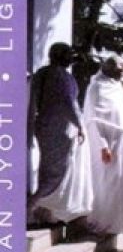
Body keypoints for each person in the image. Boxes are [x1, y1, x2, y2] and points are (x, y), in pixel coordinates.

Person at [27, 42, 93, 227]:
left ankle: (44, 212)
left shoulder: (41, 73)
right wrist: (80, 125)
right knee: (55, 174)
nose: (71, 58)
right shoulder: (62, 76)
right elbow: (68, 103)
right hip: (59, 130)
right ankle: (30, 210)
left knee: (46, 171)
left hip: (43, 127)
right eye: (68, 54)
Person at [84, 56, 123, 235]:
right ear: (108, 68)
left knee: (122, 181)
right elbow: (92, 119)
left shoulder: (117, 86)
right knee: (108, 183)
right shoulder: (96, 87)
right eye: (120, 70)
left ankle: (117, 222)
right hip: (106, 143)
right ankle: (104, 221)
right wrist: (103, 145)